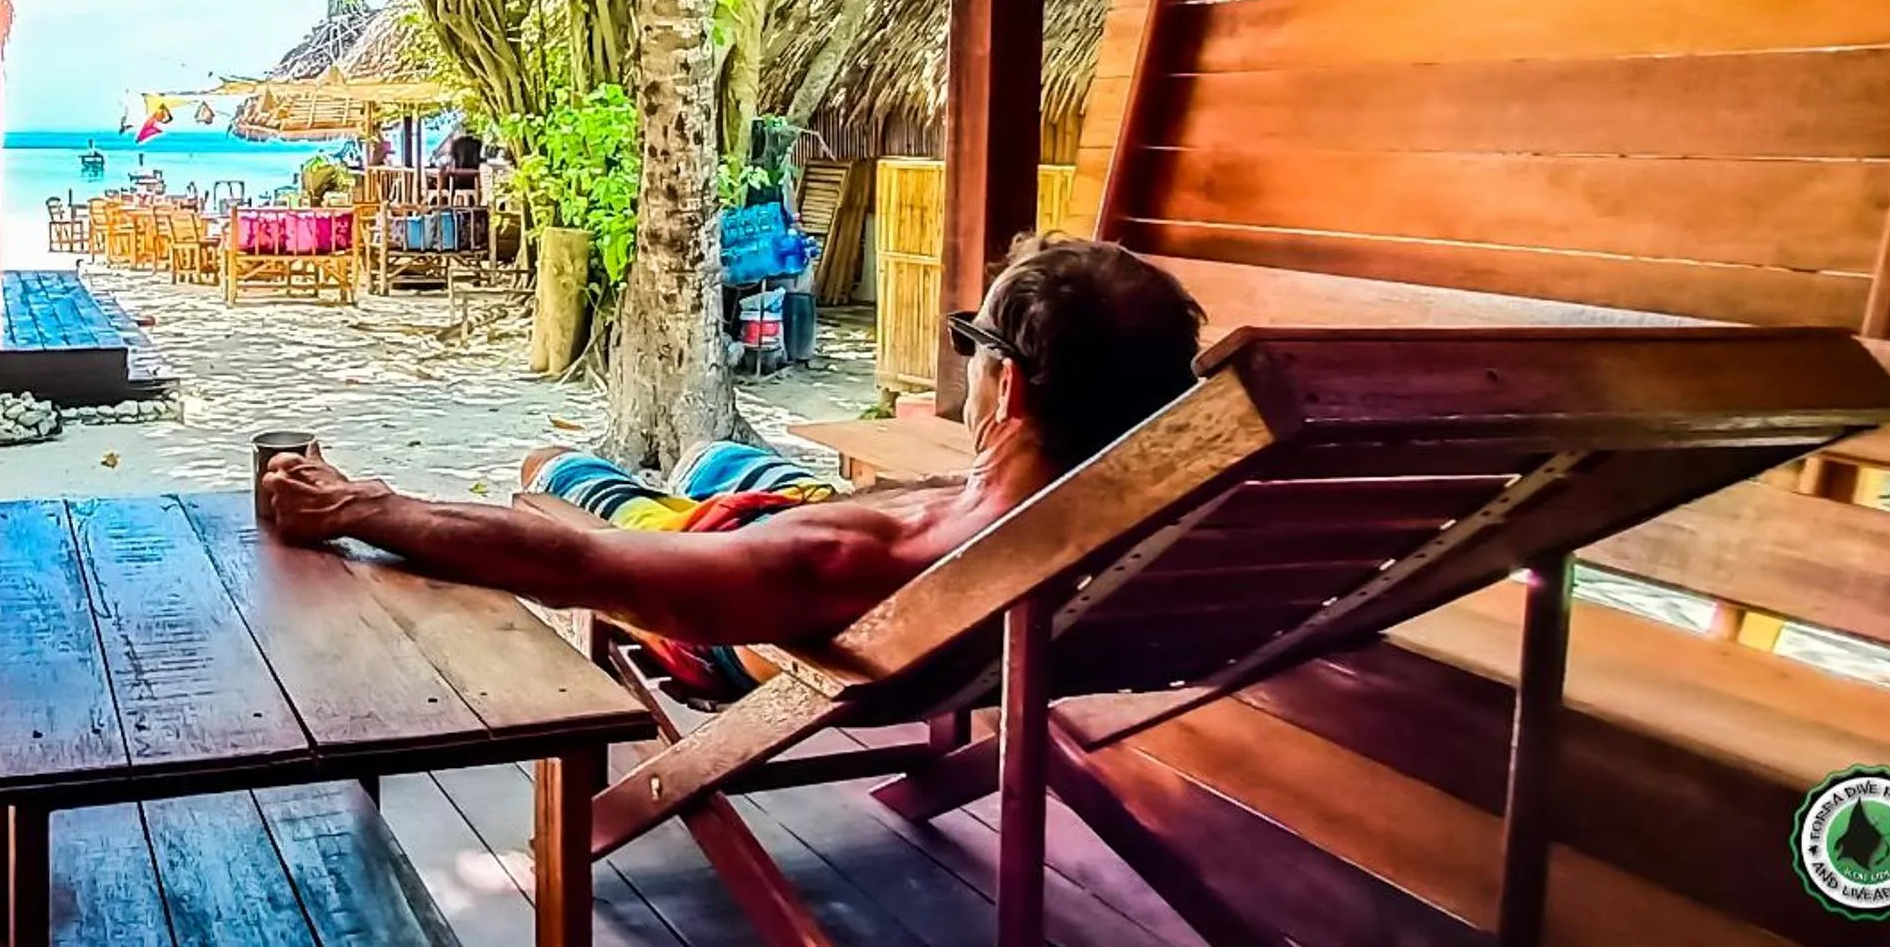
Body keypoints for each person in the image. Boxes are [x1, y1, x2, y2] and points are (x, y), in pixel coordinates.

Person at [259, 234, 1206, 700]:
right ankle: (690, 485)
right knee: (711, 455)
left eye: (972, 342)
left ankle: (615, 487)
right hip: (799, 532)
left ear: (1011, 392)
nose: (965, 363)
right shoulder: (1161, 523)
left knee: (554, 464)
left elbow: (585, 570)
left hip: (733, 611)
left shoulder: (864, 554)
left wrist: (364, 504)